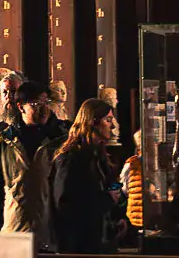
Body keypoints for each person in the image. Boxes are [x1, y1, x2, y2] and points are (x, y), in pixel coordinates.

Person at [0, 73, 65, 239]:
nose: (43, 109)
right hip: (15, 229)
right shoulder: (3, 140)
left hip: (52, 232)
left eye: (46, 102)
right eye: (36, 104)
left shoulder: (61, 138)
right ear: (21, 107)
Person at [49, 97, 126, 253]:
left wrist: (116, 216)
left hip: (100, 242)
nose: (112, 126)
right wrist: (106, 200)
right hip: (79, 246)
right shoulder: (71, 158)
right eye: (108, 120)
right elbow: (65, 204)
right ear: (93, 122)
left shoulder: (99, 155)